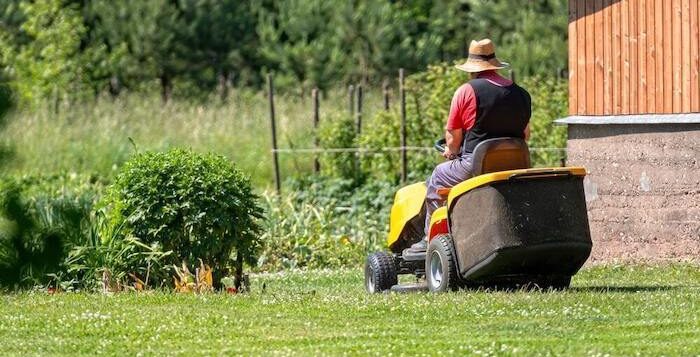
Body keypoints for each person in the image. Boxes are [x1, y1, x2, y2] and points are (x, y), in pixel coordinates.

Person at [408, 38, 532, 253]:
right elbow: (525, 135)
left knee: (438, 176)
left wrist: (450, 151)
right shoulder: (522, 94)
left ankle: (431, 239)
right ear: (494, 64)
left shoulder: (466, 91)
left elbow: (453, 141)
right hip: (515, 164)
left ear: (472, 69)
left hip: (475, 166)